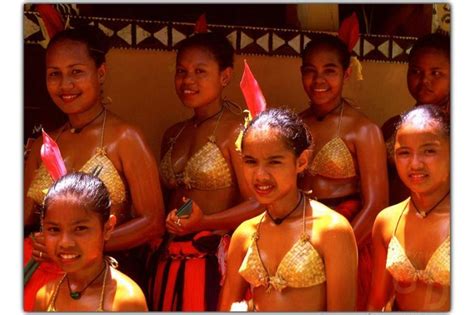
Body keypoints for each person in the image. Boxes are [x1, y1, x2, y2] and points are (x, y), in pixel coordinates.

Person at [24, 26, 165, 310]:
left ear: (100, 73)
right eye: (55, 74)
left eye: (76, 72)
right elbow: (23, 217)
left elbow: (153, 221)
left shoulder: (125, 138)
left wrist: (82, 249)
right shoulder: (44, 143)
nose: (66, 84)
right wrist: (39, 240)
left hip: (105, 282)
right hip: (40, 280)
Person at [148, 32, 261, 311]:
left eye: (200, 71)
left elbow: (258, 203)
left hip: (214, 261)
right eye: (181, 71)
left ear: (225, 76)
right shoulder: (173, 133)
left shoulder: (239, 131)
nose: (188, 81)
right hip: (169, 256)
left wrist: (205, 221)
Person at [218, 108, 357, 311]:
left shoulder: (331, 231)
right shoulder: (245, 234)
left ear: (301, 162)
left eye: (274, 162)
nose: (260, 175)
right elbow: (227, 308)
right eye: (250, 162)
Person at [298, 33, 388, 309]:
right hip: (300, 234)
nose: (319, 80)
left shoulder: (363, 129)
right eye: (310, 72)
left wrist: (337, 253)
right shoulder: (296, 123)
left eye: (329, 71)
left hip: (350, 233)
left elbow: (376, 205)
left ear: (347, 73)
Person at [368, 105, 450, 311]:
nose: (415, 164)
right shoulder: (387, 220)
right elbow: (377, 301)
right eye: (404, 153)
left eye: (429, 151)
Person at [34, 172, 148, 311]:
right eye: (54, 229)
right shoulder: (45, 297)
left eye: (80, 228)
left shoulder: (125, 301)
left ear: (107, 229)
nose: (65, 243)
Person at [381, 32, 450, 205]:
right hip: (398, 222)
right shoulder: (392, 127)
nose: (424, 80)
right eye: (416, 71)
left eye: (436, 73)